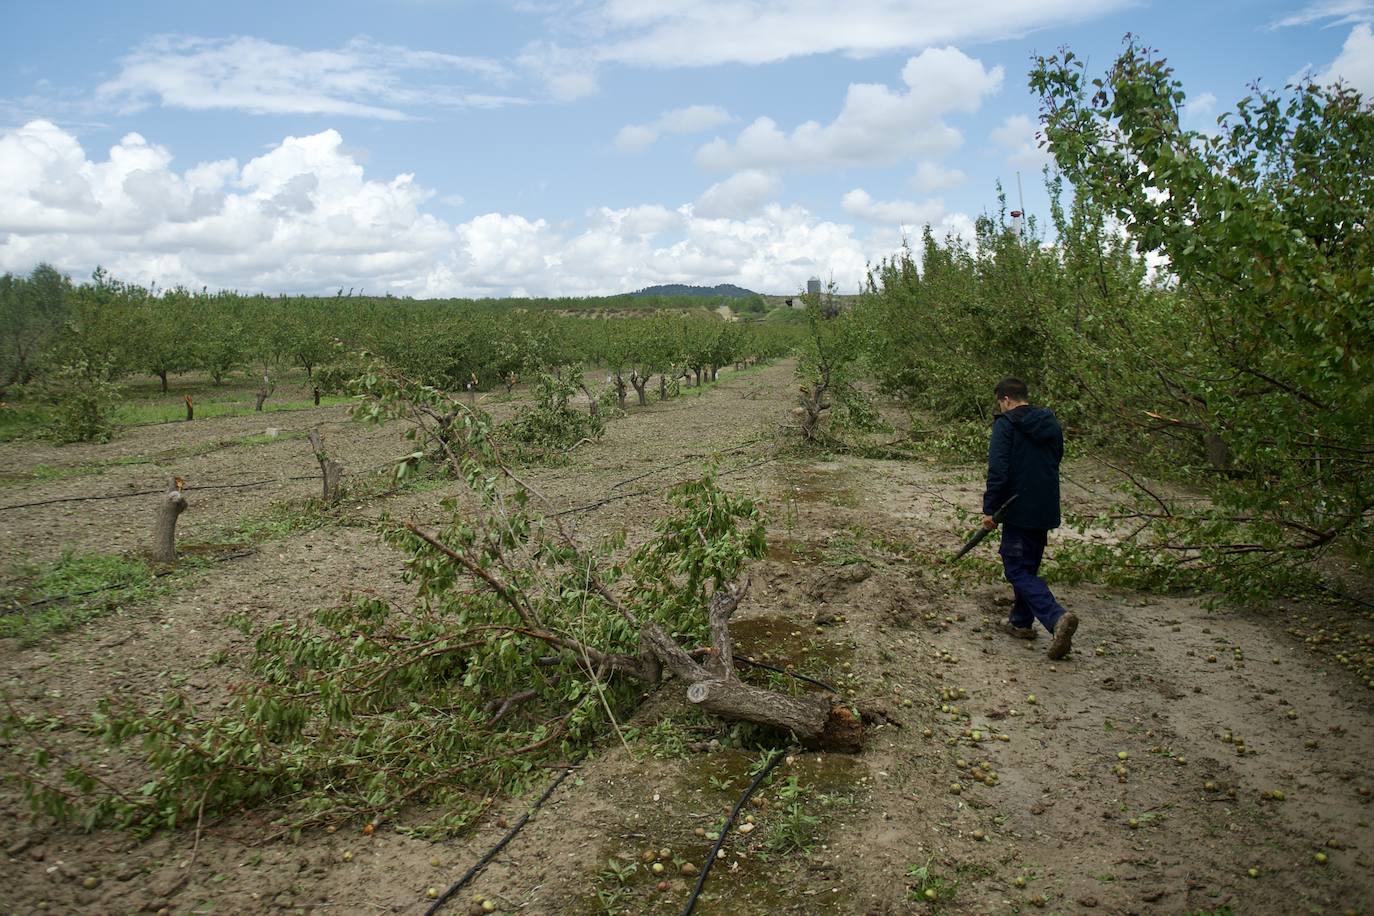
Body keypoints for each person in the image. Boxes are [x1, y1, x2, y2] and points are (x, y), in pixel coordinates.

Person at [981, 376, 1078, 660]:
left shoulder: (1006, 424)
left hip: (1017, 507)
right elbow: (1056, 457)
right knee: (1028, 565)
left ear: (1006, 399)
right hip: (1045, 506)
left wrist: (991, 509)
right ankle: (1021, 622)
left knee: (1016, 569)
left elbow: (998, 468)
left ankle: (1056, 617)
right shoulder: (1049, 421)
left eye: (1000, 403)